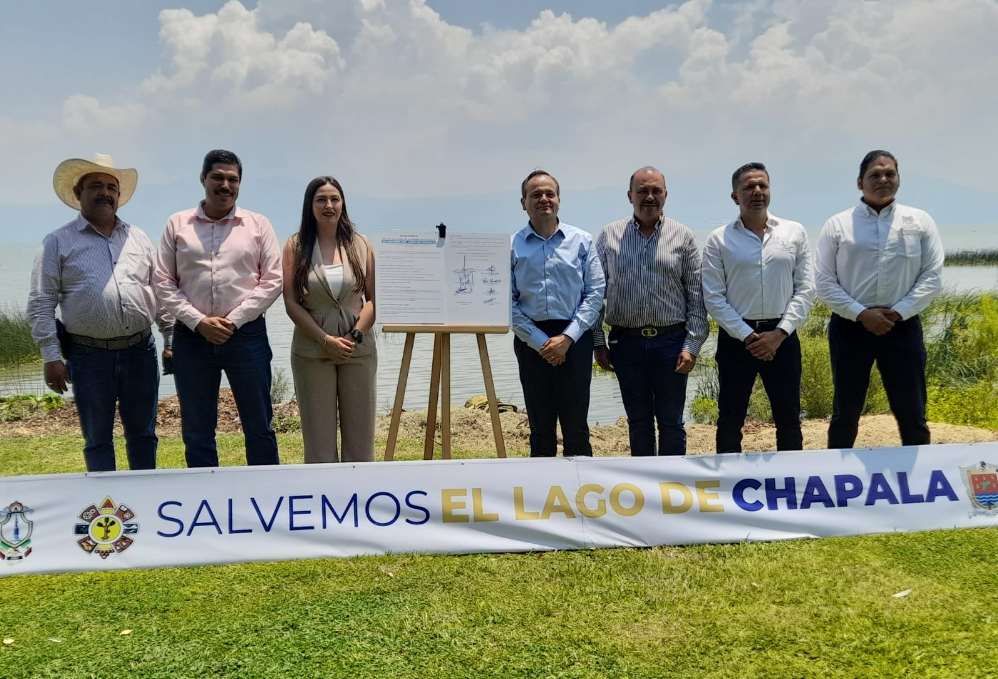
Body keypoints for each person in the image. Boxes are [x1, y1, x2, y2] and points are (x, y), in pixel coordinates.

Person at [26, 153, 173, 472]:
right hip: (88, 356)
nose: (105, 192)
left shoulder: (139, 238)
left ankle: (144, 502)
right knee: (97, 438)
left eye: (111, 187)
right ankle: (107, 512)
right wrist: (51, 357)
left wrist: (171, 340)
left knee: (144, 435)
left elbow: (160, 293)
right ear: (79, 193)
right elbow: (41, 302)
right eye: (96, 185)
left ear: (119, 196)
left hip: (140, 351)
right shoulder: (56, 242)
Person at [155, 149, 283, 467]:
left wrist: (233, 321)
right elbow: (162, 281)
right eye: (218, 178)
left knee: (259, 426)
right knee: (197, 430)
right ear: (203, 179)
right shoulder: (177, 224)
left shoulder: (258, 225)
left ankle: (266, 499)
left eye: (232, 179)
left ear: (239, 184)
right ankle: (206, 502)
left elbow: (273, 280)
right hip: (192, 339)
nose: (225, 185)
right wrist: (199, 322)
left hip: (247, 337)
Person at [815, 150, 944, 448]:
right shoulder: (838, 224)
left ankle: (920, 483)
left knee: (912, 411)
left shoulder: (920, 221)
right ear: (860, 182)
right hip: (850, 328)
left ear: (899, 179)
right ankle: (837, 480)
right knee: (845, 412)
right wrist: (861, 314)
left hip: (903, 327)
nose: (883, 180)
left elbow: (932, 276)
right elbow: (823, 281)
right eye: (875, 175)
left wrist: (897, 313)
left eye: (889, 174)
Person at [594, 167, 708, 456]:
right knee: (639, 422)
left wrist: (692, 345)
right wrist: (598, 342)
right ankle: (645, 492)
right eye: (642, 191)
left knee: (671, 422)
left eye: (656, 191)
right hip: (625, 343)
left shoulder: (683, 236)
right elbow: (594, 293)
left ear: (665, 195)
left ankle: (674, 490)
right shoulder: (609, 236)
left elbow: (696, 296)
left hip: (671, 343)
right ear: (630, 195)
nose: (649, 197)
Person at [701, 162, 815, 453]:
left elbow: (805, 289)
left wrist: (780, 333)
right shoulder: (718, 239)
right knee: (730, 418)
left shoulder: (794, 232)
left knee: (789, 418)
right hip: (738, 341)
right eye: (748, 187)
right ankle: (728, 488)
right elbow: (713, 297)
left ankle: (791, 488)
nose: (757, 192)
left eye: (762, 185)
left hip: (783, 338)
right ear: (735, 196)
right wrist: (748, 337)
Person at [511, 170, 605, 457]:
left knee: (576, 425)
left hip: (575, 340)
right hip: (531, 341)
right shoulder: (512, 246)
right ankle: (541, 496)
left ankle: (582, 495)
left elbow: (595, 292)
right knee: (540, 426)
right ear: (523, 202)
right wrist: (541, 342)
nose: (543, 199)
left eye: (549, 193)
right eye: (535, 194)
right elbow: (506, 302)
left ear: (559, 200)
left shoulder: (581, 241)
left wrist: (567, 337)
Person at [282, 177, 377, 463]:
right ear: (310, 206)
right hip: (312, 353)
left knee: (361, 441)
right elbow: (291, 303)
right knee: (319, 443)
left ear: (343, 203)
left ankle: (360, 500)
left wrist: (354, 336)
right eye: (321, 199)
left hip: (358, 351)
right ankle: (323, 502)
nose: (328, 205)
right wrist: (325, 339)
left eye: (334, 198)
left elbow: (372, 300)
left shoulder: (361, 245)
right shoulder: (295, 247)